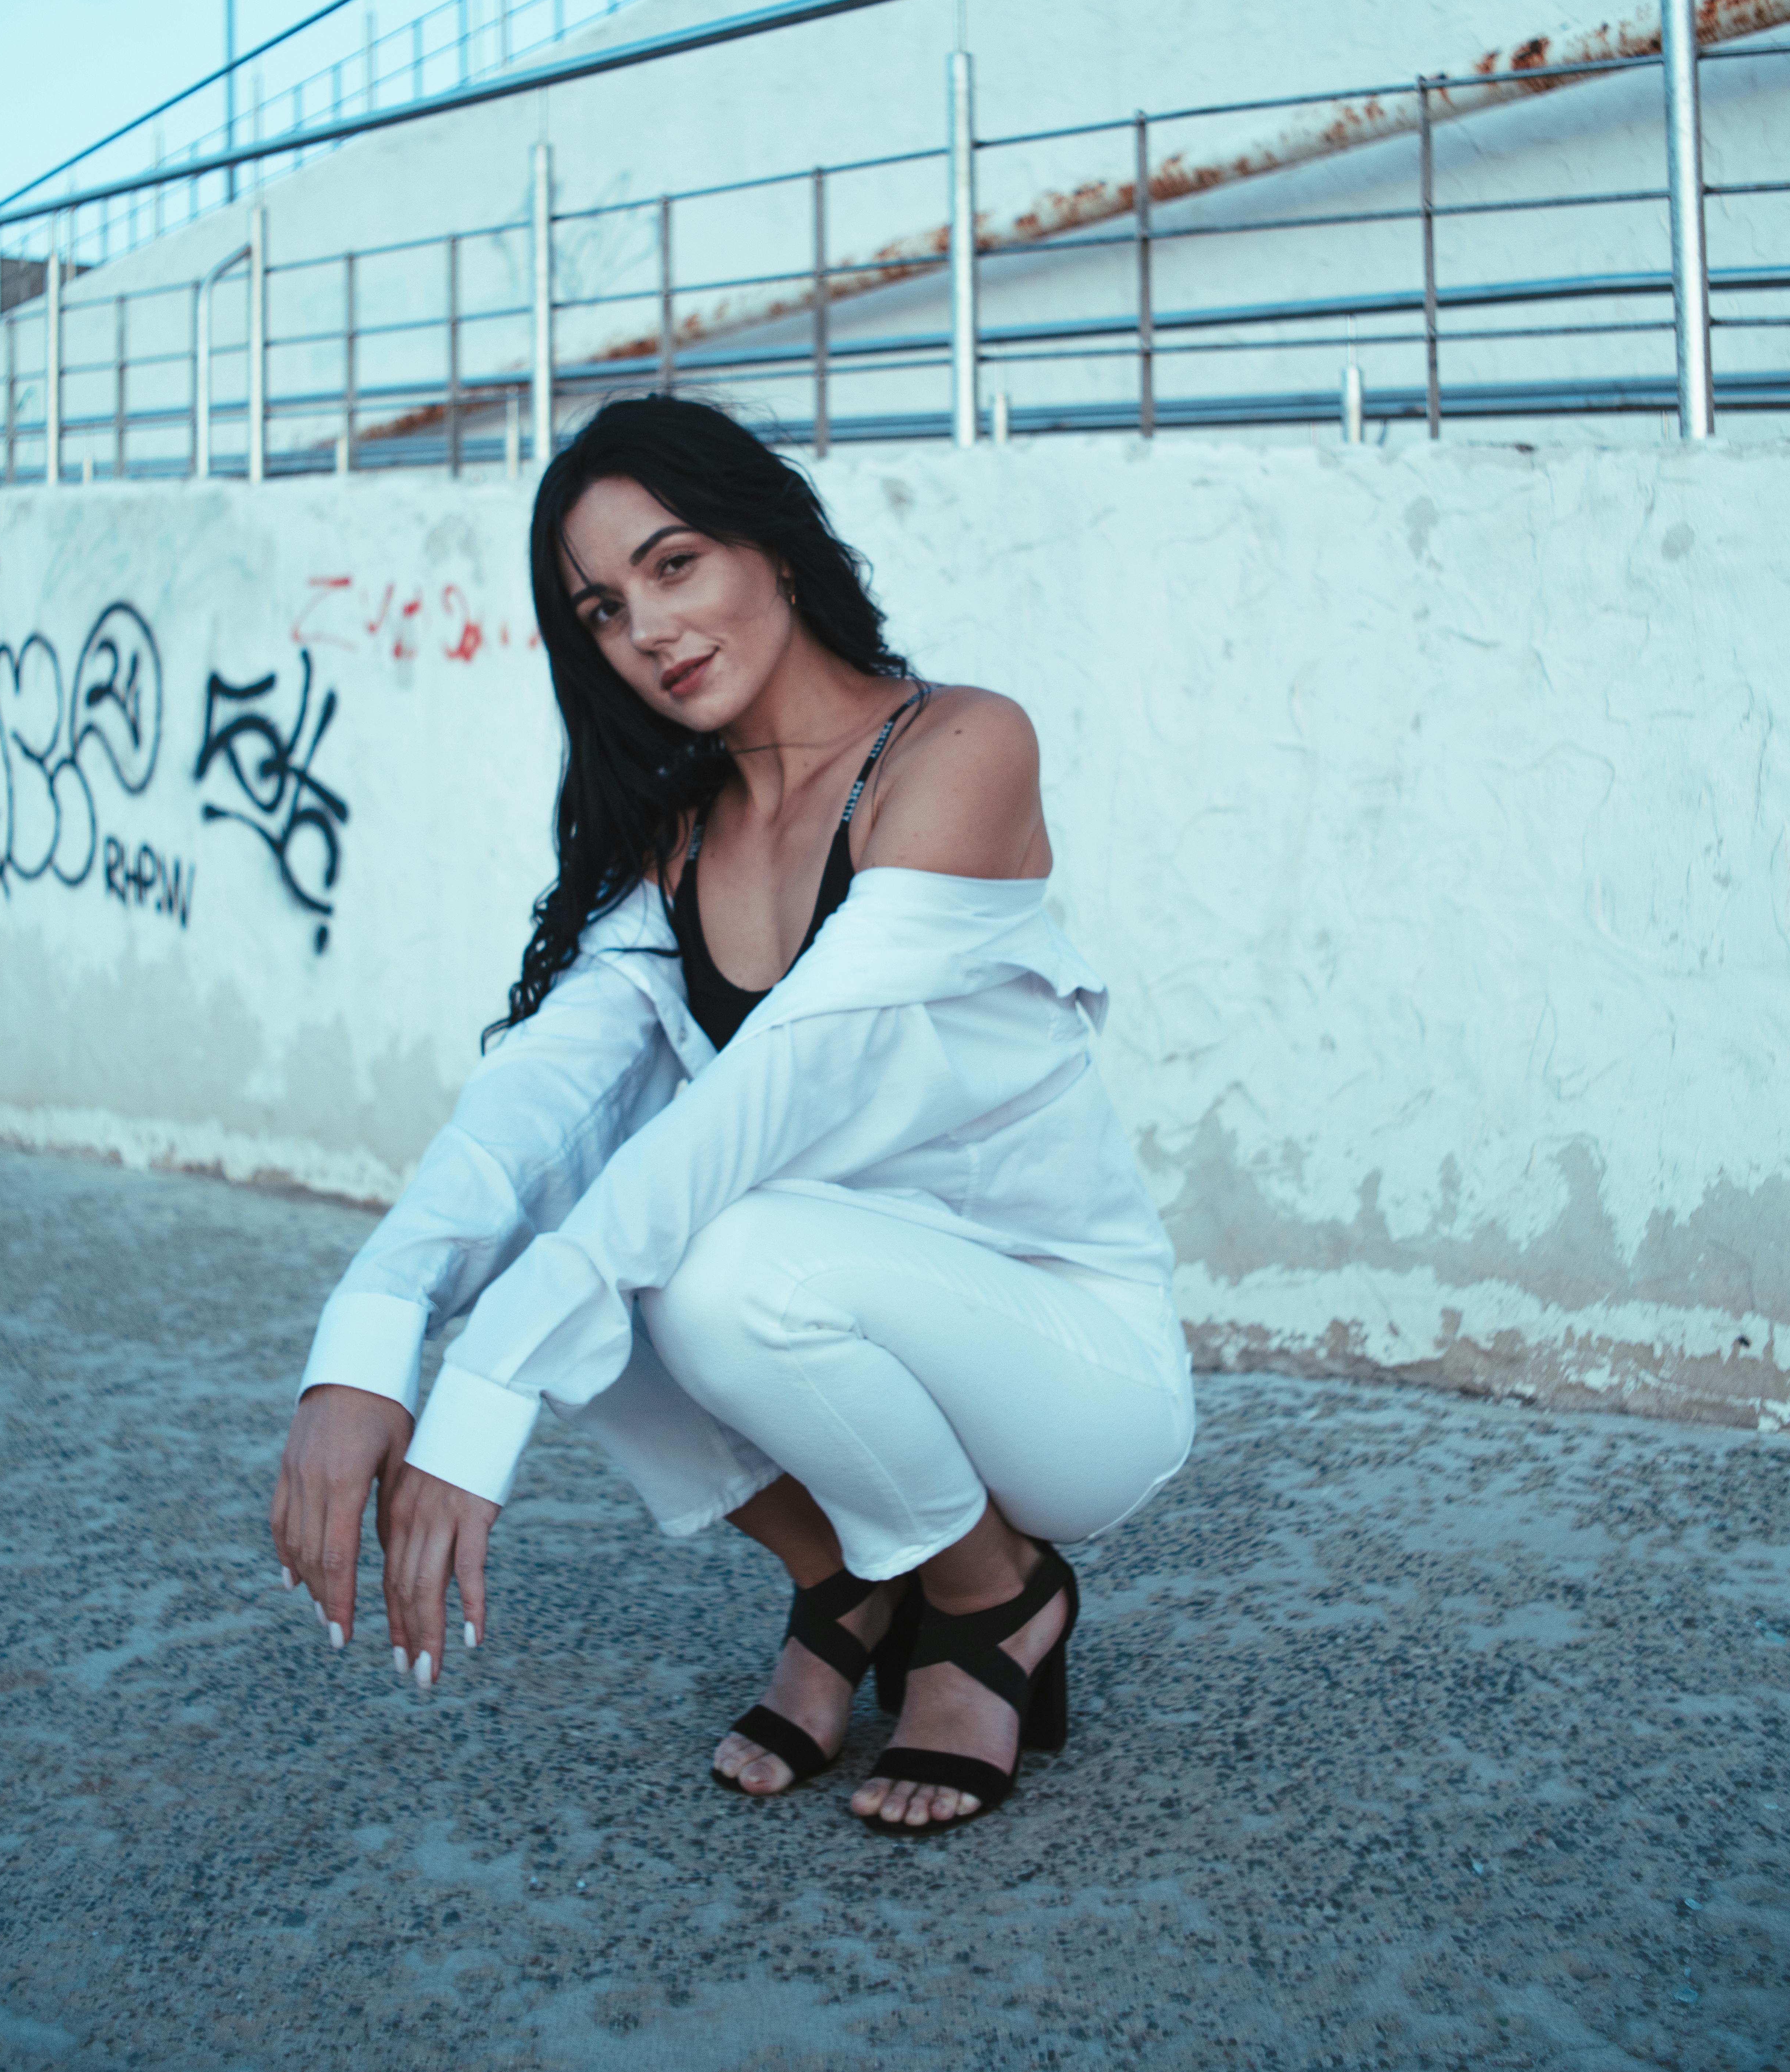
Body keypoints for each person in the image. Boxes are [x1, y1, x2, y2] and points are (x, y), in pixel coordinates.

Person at [272, 395, 1192, 1832]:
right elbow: (535, 1102)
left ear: (769, 539)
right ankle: (846, 1573)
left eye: (675, 560)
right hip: (843, 1315)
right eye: (601, 605)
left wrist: (486, 1387)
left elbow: (777, 1088)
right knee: (583, 1233)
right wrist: (374, 1333)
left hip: (1070, 1361)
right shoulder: (682, 832)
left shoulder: (957, 748)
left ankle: (997, 1592)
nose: (647, 625)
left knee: (700, 1248)